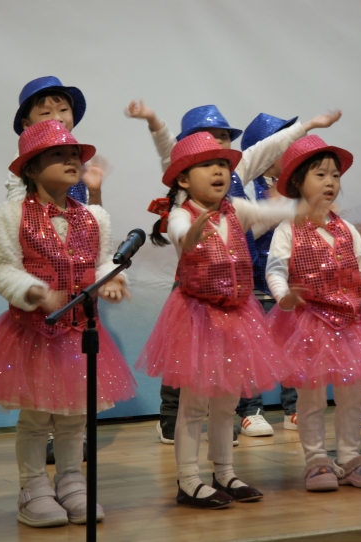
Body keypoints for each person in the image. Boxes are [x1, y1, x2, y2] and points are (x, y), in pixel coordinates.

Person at [0, 120, 135, 527]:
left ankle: (71, 482)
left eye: (74, 155)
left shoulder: (94, 217)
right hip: (33, 334)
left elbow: (103, 260)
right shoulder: (11, 214)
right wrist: (33, 290)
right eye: (58, 155)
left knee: (74, 417)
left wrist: (112, 280)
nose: (71, 160)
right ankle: (32, 486)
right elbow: (2, 268)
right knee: (36, 418)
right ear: (31, 169)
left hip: (79, 332)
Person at [126, 101, 340, 444]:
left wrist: (308, 126)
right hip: (193, 287)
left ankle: (227, 421)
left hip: (233, 287)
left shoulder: (235, 178)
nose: (218, 147)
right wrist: (153, 120)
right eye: (209, 138)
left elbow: (268, 148)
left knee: (231, 354)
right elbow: (169, 155)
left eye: (224, 139)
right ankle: (171, 417)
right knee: (185, 356)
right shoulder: (185, 189)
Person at [137, 132, 295, 509]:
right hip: (198, 317)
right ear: (183, 179)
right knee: (195, 404)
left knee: (227, 401)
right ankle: (188, 480)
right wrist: (189, 235)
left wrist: (300, 207)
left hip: (237, 314)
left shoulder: (234, 208)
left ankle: (224, 472)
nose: (219, 171)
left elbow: (268, 213)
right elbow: (180, 233)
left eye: (223, 164)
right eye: (207, 165)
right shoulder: (182, 213)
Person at [265, 135, 361, 492]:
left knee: (351, 395)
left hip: (349, 324)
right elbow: (275, 269)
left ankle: (349, 456)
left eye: (335, 175)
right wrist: (284, 297)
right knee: (311, 396)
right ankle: (316, 459)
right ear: (298, 182)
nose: (330, 182)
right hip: (309, 322)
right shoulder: (287, 228)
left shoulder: (345, 228)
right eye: (320, 174)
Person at [241, 112, 301, 431]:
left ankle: (294, 408)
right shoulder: (244, 189)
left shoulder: (297, 189)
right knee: (251, 351)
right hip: (253, 284)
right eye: (283, 147)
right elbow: (241, 233)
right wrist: (273, 210)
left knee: (292, 347)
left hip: (288, 284)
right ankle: (251, 409)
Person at [6, 76, 105, 206]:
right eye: (46, 113)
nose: (58, 118)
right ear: (27, 124)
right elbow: (15, 206)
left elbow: (94, 215)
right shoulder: (25, 157)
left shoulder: (78, 155)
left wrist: (94, 192)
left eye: (63, 110)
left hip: (77, 219)